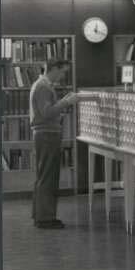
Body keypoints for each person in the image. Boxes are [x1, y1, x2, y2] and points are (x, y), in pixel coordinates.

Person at [29, 59, 79, 229]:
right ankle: (45, 219)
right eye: (63, 71)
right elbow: (47, 112)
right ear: (54, 69)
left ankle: (40, 215)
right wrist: (67, 102)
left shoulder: (42, 84)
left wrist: (63, 101)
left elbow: (48, 110)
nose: (63, 75)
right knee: (48, 177)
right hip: (47, 135)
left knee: (44, 175)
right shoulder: (43, 86)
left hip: (45, 134)